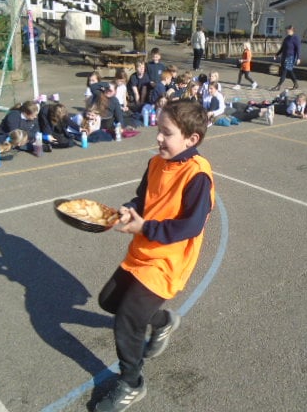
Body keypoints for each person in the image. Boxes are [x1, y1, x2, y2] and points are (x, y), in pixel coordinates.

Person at [94, 100, 214, 412]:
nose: (158, 137)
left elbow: (191, 225)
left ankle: (131, 383)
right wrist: (128, 211)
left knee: (127, 319)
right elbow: (142, 198)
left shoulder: (198, 175)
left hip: (167, 261)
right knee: (108, 301)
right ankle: (163, 321)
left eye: (166, 133)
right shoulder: (156, 163)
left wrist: (144, 226)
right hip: (143, 249)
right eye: (158, 130)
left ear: (191, 140)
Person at [271, 25, 301, 92]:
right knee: (289, 71)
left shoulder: (296, 38)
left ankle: (278, 86)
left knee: (284, 71)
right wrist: (277, 54)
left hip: (290, 57)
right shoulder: (286, 38)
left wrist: (298, 58)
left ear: (291, 30)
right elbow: (282, 48)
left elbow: (298, 49)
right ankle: (296, 84)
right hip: (284, 56)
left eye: (287, 30)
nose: (286, 31)